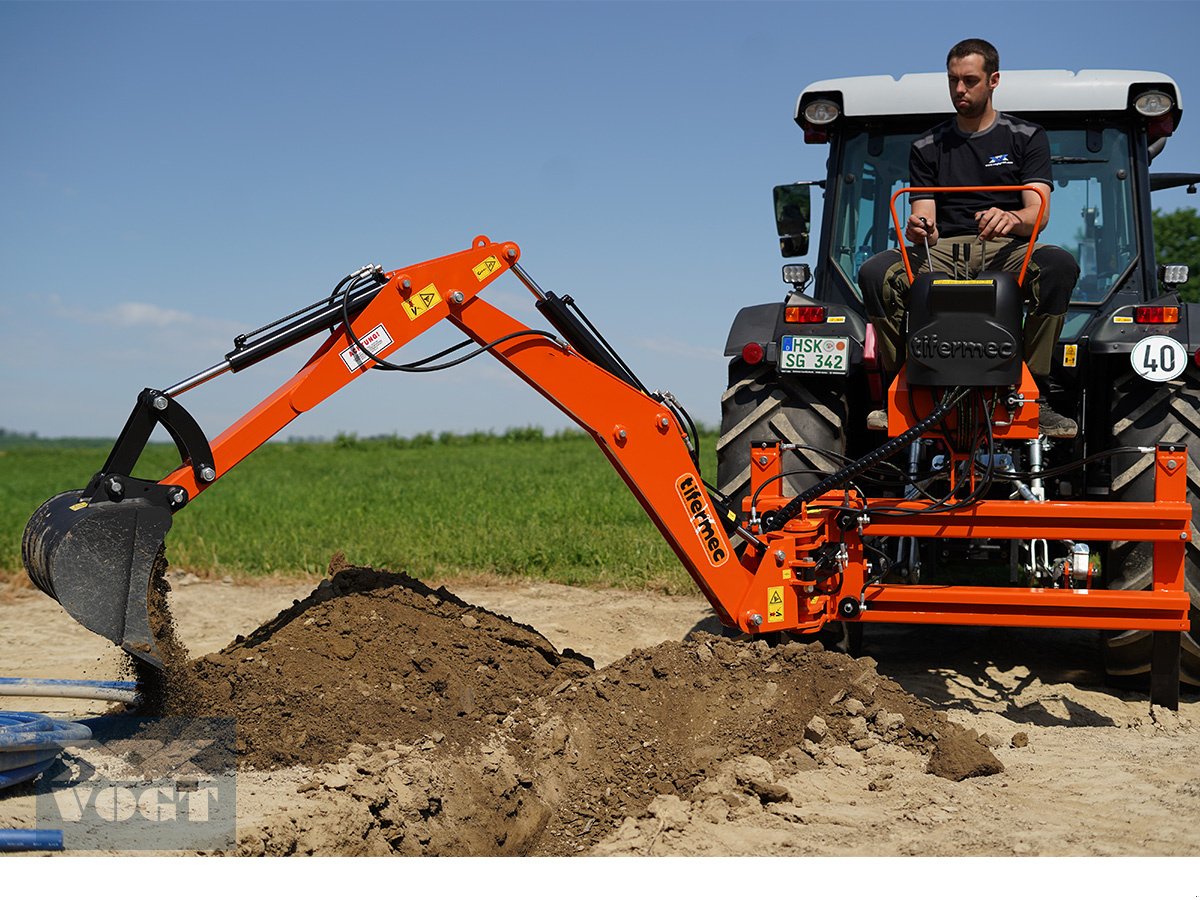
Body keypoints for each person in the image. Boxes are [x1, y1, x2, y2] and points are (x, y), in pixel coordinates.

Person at [858, 38, 1080, 438]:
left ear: (994, 80)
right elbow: (923, 213)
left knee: (1058, 266)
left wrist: (1011, 218)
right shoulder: (927, 145)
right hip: (943, 249)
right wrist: (920, 228)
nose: (960, 89)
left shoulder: (1026, 136)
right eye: (953, 80)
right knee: (877, 274)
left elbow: (1039, 214)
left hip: (1006, 247)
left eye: (970, 80)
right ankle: (901, 387)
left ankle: (1034, 388)